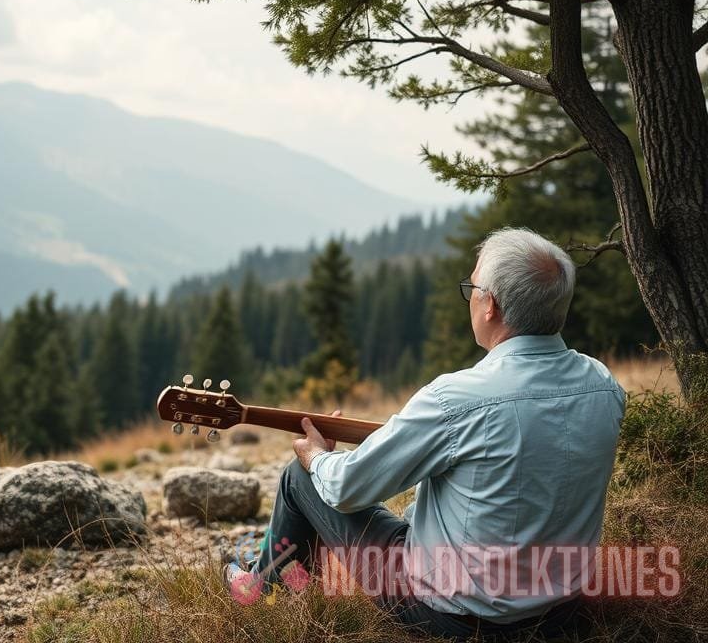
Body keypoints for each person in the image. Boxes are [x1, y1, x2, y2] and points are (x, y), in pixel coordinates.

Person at [225, 227, 626, 639]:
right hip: (559, 612)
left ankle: (257, 591)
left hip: (457, 619)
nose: (470, 297)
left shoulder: (456, 399)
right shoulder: (605, 386)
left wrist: (318, 458)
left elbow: (346, 488)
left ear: (492, 306)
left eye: (473, 287)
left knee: (302, 478)